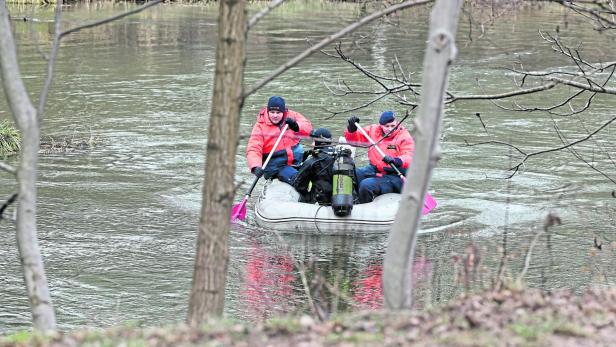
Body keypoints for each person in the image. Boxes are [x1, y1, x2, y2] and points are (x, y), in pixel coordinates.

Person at [344, 111, 414, 203]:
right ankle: (352, 201)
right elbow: (353, 141)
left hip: (396, 174)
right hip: (375, 169)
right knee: (351, 174)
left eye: (393, 126)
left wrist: (397, 160)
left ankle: (365, 206)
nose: (390, 129)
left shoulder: (404, 136)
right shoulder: (373, 130)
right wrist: (351, 130)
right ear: (381, 125)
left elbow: (410, 156)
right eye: (387, 126)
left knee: (366, 185)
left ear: (397, 124)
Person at [246, 96, 312, 184]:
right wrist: (255, 167)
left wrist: (296, 126)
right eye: (272, 112)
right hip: (276, 167)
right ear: (268, 111)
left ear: (283, 112)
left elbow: (308, 128)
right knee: (299, 180)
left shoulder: (292, 116)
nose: (275, 115)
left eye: (278, 112)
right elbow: (253, 148)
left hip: (296, 161)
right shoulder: (260, 127)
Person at [292, 128, 336, 204]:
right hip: (339, 199)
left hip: (319, 201)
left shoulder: (312, 161)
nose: (312, 144)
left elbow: (299, 185)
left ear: (319, 142)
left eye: (314, 141)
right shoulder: (341, 157)